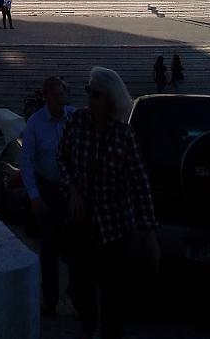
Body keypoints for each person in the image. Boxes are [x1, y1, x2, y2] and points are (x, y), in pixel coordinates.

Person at [58, 67, 158, 338]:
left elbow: (140, 183)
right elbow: (62, 159)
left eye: (97, 95)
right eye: (89, 92)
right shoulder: (76, 122)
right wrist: (73, 190)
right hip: (82, 225)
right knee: (80, 290)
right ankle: (88, 323)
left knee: (113, 299)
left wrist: (148, 230)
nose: (90, 99)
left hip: (115, 228)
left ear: (111, 99)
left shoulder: (124, 135)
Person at [19, 77, 75, 316]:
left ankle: (77, 294)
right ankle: (50, 300)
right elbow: (26, 161)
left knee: (76, 245)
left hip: (72, 190)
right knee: (49, 248)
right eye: (56, 96)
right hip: (47, 190)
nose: (61, 100)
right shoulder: (35, 123)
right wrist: (34, 195)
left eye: (63, 94)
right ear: (46, 97)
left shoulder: (74, 117)